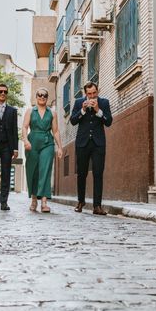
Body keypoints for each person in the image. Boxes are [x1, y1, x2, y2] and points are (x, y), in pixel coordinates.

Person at [70, 81, 113, 215]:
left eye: (94, 93)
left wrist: (98, 110)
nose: (92, 96)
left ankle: (97, 206)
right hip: (82, 143)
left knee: (98, 173)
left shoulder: (104, 103)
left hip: (98, 143)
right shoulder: (78, 103)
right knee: (81, 174)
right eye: (89, 94)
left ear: (97, 91)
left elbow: (109, 122)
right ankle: (81, 201)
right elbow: (72, 121)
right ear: (85, 93)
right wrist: (82, 110)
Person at [22, 88, 63, 213]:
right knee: (32, 170)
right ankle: (34, 199)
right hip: (32, 142)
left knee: (45, 171)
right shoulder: (30, 111)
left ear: (47, 97)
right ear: (36, 97)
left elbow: (55, 131)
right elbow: (24, 127)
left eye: (45, 95)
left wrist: (60, 147)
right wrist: (26, 141)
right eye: (39, 95)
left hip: (47, 143)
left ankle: (44, 202)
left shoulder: (52, 113)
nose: (42, 97)